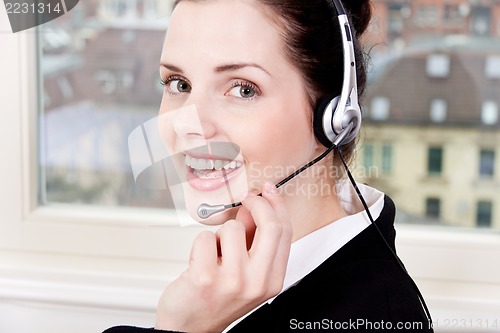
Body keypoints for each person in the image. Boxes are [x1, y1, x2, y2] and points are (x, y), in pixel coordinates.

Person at [104, 0, 434, 332]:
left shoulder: (377, 319)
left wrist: (180, 328)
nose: (186, 124)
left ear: (334, 118)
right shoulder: (227, 284)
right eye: (179, 84)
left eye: (243, 89)